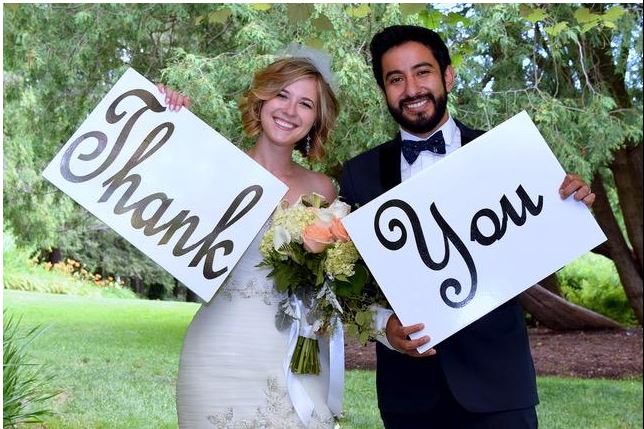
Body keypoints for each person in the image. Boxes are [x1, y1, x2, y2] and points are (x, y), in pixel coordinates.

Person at [339, 25, 596, 428]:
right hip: (409, 395)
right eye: (395, 79)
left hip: (500, 388)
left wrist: (569, 206)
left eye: (422, 72)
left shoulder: (508, 157)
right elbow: (346, 284)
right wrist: (383, 328)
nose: (411, 88)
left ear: (448, 76)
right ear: (383, 90)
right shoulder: (359, 175)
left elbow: (542, 261)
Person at [161, 54, 341, 428]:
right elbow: (159, 204)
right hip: (217, 351)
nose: (290, 110)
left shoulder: (322, 189)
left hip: (292, 357)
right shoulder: (214, 168)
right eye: (281, 95)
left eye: (305, 103)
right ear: (261, 100)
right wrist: (166, 114)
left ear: (315, 120)